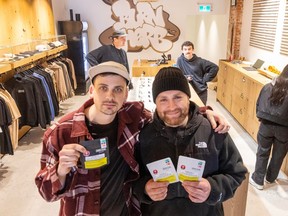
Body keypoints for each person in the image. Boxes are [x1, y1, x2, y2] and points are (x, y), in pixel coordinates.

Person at [35, 61, 230, 215]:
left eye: (118, 89)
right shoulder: (60, 133)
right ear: (91, 90)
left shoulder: (134, 118)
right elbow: (46, 193)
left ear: (126, 93)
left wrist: (203, 114)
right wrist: (60, 170)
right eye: (103, 88)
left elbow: (169, 114)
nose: (110, 96)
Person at [133, 67, 247, 216]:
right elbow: (130, 178)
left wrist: (213, 188)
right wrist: (144, 189)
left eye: (178, 97)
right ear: (155, 102)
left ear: (188, 97)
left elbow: (236, 173)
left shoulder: (213, 130)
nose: (172, 106)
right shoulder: (143, 135)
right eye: (163, 100)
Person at [249, 64, 288, 190]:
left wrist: (261, 118)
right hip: (284, 129)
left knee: (262, 151)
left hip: (266, 125)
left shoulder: (268, 86)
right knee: (279, 154)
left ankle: (258, 180)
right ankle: (270, 178)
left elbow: (259, 103)